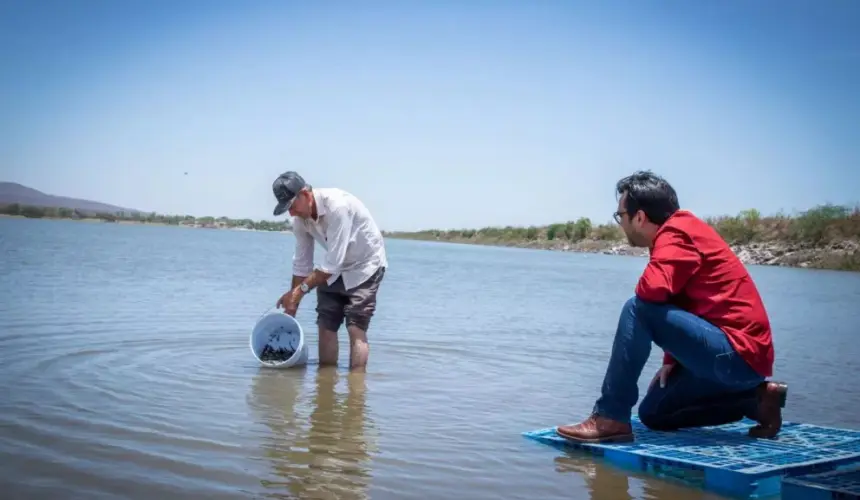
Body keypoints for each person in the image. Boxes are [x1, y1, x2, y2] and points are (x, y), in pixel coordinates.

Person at [556, 171, 787, 443]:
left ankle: (609, 416)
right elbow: (680, 299)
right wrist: (672, 359)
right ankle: (757, 401)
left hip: (737, 355)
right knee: (654, 414)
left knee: (636, 308)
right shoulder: (680, 233)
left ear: (639, 217)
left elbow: (651, 290)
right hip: (734, 362)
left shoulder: (677, 232)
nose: (621, 223)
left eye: (621, 216)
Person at [271, 171, 387, 371]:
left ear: (306, 194)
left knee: (355, 326)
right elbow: (301, 263)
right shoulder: (300, 220)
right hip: (332, 269)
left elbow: (333, 263)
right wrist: (292, 306)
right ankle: (325, 383)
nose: (291, 213)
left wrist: (299, 291)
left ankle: (356, 387)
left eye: (292, 206)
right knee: (325, 326)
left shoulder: (338, 206)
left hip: (365, 266)